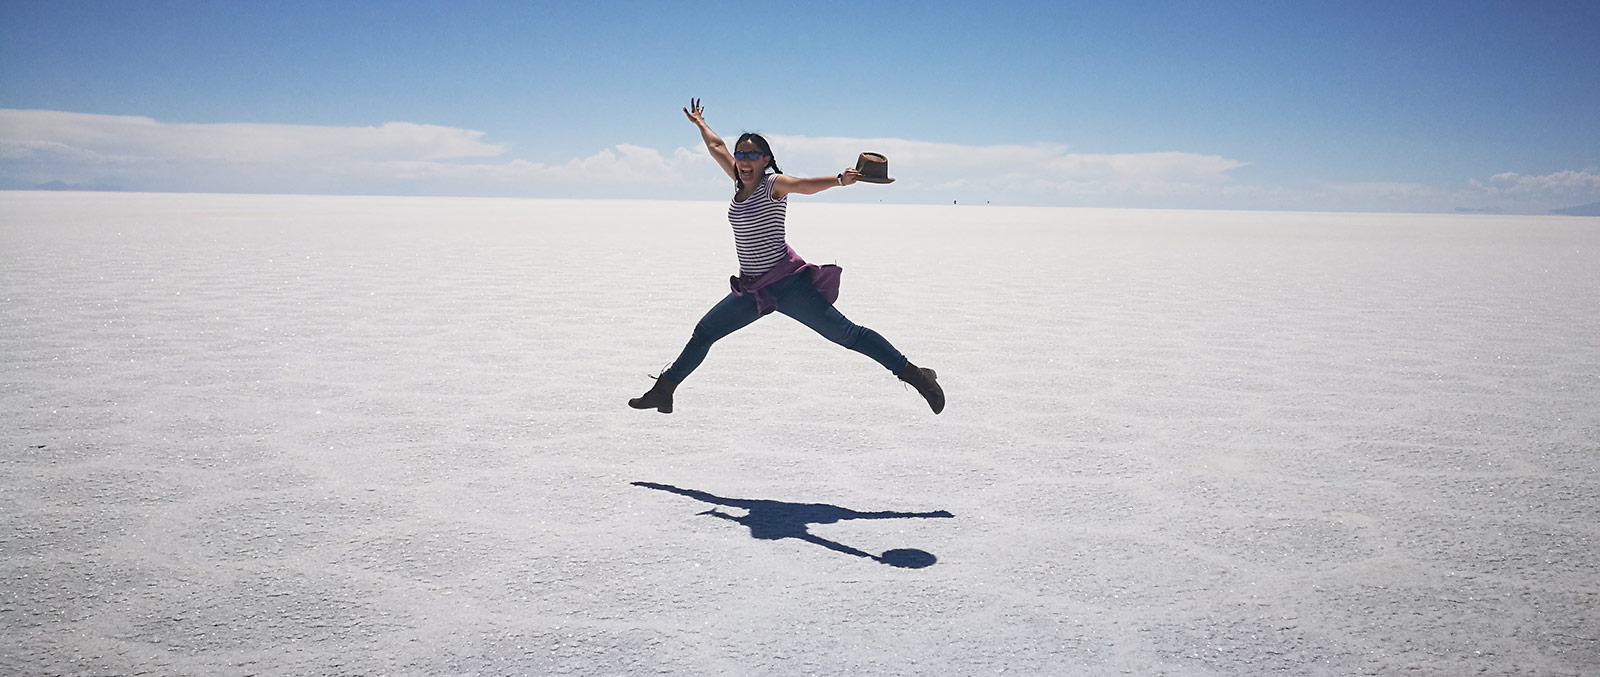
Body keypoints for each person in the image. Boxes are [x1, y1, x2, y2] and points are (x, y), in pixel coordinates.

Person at [628, 98, 944, 415]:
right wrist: (700, 124)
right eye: (740, 154)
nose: (743, 160)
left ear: (766, 159)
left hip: (788, 286)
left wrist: (838, 180)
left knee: (846, 334)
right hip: (752, 289)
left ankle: (916, 375)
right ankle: (663, 391)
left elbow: (803, 185)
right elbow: (716, 147)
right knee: (704, 333)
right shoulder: (739, 182)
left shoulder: (772, 185)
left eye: (752, 154)